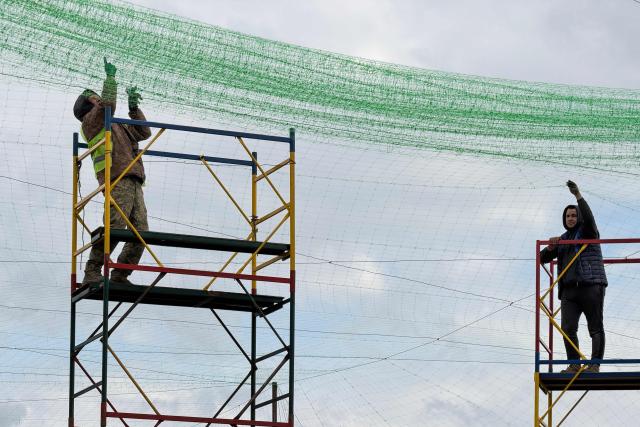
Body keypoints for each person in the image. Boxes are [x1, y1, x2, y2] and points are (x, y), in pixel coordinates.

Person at [73, 58, 152, 286]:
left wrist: (134, 109)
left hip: (134, 178)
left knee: (141, 232)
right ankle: (92, 270)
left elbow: (143, 132)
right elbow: (108, 104)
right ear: (87, 107)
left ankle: (120, 273)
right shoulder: (92, 121)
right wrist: (110, 79)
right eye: (94, 98)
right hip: (115, 177)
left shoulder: (114, 124)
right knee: (116, 226)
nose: (99, 99)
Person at [540, 180, 607, 373]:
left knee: (595, 326)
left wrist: (578, 195)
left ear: (579, 217)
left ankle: (594, 365)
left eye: (574, 215)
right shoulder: (563, 239)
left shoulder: (588, 230)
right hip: (569, 291)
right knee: (568, 328)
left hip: (591, 285)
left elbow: (589, 217)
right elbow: (542, 258)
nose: (571, 218)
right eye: (568, 215)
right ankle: (574, 365)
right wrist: (551, 246)